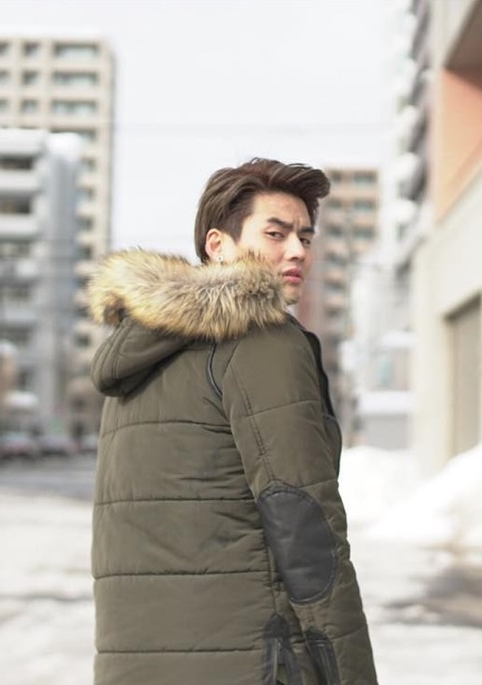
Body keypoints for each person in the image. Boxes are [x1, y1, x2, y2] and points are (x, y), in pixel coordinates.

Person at [87, 158, 377, 684]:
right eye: (276, 233)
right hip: (253, 664)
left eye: (305, 237)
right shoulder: (263, 343)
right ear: (217, 245)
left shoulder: (138, 358)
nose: (297, 251)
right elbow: (304, 523)